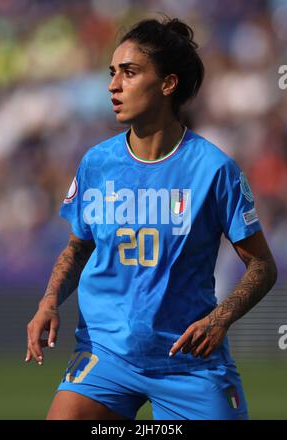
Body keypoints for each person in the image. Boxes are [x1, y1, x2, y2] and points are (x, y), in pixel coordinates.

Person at [26, 17, 277, 420]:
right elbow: (77, 248)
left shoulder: (213, 169)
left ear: (167, 84)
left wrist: (220, 319)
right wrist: (49, 301)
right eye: (112, 73)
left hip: (188, 361)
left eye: (129, 72)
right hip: (105, 356)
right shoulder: (97, 163)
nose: (113, 85)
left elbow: (262, 266)